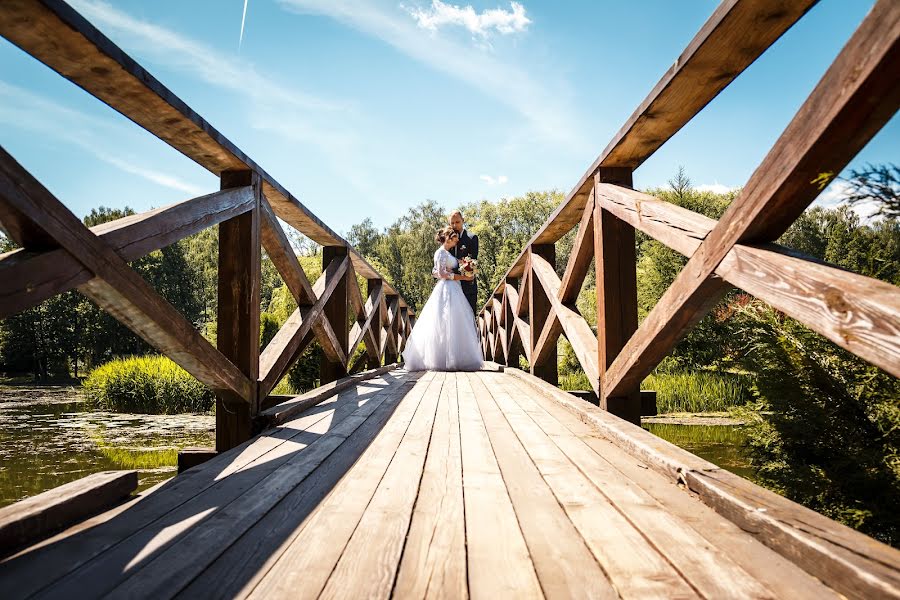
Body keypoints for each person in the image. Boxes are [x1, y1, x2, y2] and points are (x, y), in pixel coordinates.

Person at [402, 226, 484, 372]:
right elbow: (440, 273)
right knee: (444, 321)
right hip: (447, 288)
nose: (457, 241)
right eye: (455, 239)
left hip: (454, 288)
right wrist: (462, 277)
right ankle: (442, 358)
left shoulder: (446, 253)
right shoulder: (440, 253)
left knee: (455, 322)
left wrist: (466, 264)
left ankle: (456, 357)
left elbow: (446, 267)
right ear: (448, 238)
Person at [448, 210, 479, 315]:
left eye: (457, 222)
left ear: (463, 221)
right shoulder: (448, 241)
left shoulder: (471, 238)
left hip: (468, 286)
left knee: (470, 318)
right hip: (451, 287)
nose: (454, 225)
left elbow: (473, 261)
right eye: (452, 223)